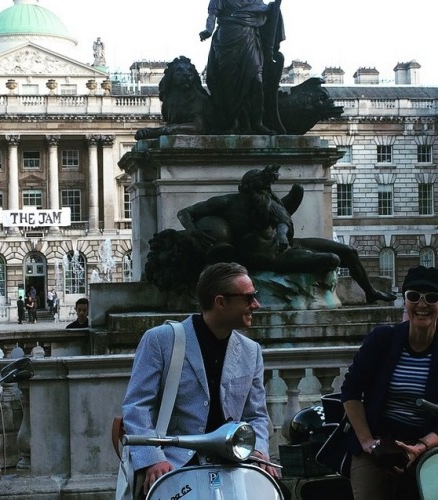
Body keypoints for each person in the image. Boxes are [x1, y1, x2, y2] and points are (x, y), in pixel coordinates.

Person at [122, 262, 279, 498]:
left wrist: (257, 451)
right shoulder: (160, 340)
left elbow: (256, 415)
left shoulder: (251, 350)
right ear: (220, 302)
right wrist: (153, 460)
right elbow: (137, 406)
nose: (255, 305)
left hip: (235, 466)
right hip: (172, 466)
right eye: (248, 298)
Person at [176, 165, 396, 303]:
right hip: (267, 256)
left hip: (285, 244)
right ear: (247, 188)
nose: (266, 193)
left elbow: (282, 220)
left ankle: (370, 291)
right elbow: (185, 212)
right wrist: (194, 232)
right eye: (261, 188)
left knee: (348, 251)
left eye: (266, 189)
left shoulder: (266, 202)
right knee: (333, 259)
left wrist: (282, 234)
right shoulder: (226, 203)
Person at [341, 265, 438, 500]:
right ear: (405, 301)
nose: (422, 304)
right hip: (378, 444)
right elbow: (350, 391)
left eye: (432, 297)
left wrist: (423, 447)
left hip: (429, 446)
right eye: (414, 296)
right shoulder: (382, 339)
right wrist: (367, 443)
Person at [200, 0, 285, 134]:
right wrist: (208, 30)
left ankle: (257, 123)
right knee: (228, 83)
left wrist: (273, 7)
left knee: (257, 81)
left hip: (249, 37)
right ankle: (232, 122)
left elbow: (263, 10)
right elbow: (212, 15)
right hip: (227, 38)